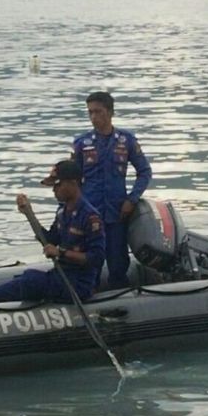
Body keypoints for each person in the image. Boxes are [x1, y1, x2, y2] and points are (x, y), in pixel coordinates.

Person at [0, 160, 105, 303]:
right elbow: (49, 240)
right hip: (60, 275)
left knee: (17, 287)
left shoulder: (90, 217)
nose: (54, 190)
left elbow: (97, 258)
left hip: (77, 283)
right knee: (17, 283)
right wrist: (29, 214)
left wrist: (61, 253)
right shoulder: (62, 213)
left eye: (58, 185)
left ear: (73, 183)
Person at [72, 91, 152, 289]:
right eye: (90, 112)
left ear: (110, 112)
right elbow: (73, 180)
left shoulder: (126, 141)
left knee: (117, 263)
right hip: (90, 215)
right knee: (91, 263)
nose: (93, 117)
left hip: (117, 213)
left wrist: (132, 199)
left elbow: (144, 172)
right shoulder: (82, 144)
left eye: (98, 112)